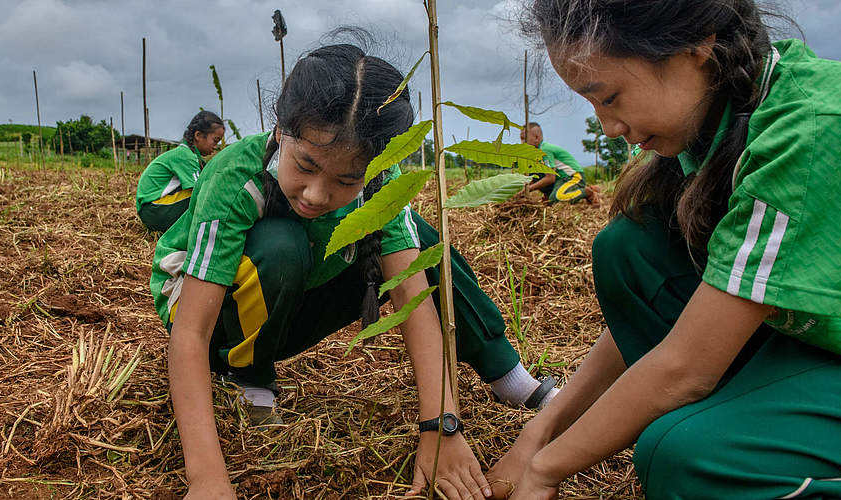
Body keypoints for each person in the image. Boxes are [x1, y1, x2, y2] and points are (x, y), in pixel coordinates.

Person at [488, 1, 841, 498]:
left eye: (610, 97)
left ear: (697, 44)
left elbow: (686, 367)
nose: (608, 127)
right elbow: (691, 326)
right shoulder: (719, 119)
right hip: (814, 340)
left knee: (689, 459)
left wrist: (544, 471)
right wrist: (537, 435)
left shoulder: (815, 129)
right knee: (629, 249)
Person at [153, 43, 558, 500]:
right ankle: (248, 373)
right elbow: (190, 333)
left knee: (423, 242)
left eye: (347, 181)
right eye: (305, 166)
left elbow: (412, 295)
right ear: (282, 130)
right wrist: (206, 480)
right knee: (280, 245)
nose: (316, 194)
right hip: (217, 321)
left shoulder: (381, 181)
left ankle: (509, 376)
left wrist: (440, 427)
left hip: (295, 299)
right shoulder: (235, 178)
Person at [135, 110, 225, 231]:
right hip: (154, 211)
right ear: (198, 136)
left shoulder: (192, 156)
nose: (216, 146)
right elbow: (200, 193)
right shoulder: (185, 155)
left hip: (151, 211)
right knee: (204, 194)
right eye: (215, 140)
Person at [520, 123, 599, 206]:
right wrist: (522, 189)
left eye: (524, 139)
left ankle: (588, 192)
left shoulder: (544, 151)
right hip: (560, 180)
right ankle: (549, 195)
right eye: (521, 139)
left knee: (557, 199)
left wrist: (528, 189)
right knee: (534, 174)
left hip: (572, 176)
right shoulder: (536, 154)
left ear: (536, 138)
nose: (522, 143)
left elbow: (550, 178)